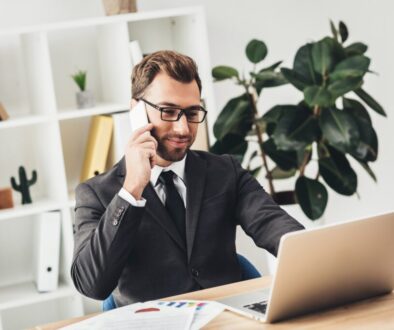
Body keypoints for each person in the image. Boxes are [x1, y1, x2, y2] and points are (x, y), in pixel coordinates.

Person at [71, 50, 304, 307]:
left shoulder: (225, 172)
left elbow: (276, 227)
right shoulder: (95, 193)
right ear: (136, 111)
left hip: (227, 318)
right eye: (168, 112)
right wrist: (131, 190)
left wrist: (317, 258)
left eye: (192, 113)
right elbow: (91, 284)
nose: (183, 129)